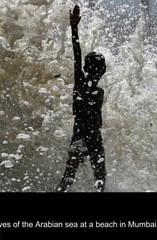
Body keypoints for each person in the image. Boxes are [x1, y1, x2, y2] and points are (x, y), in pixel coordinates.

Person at [56, 5, 107, 192]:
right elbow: (78, 56)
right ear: (103, 71)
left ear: (86, 68)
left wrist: (74, 27)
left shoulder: (80, 83)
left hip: (78, 136)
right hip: (94, 137)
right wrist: (74, 27)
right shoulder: (98, 91)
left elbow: (77, 55)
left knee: (68, 178)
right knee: (99, 177)